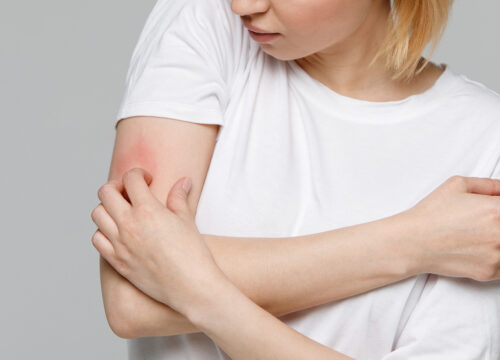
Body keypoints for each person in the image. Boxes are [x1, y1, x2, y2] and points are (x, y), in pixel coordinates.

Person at [91, 0, 500, 358]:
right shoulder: (206, 22)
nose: (243, 5)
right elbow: (131, 300)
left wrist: (200, 294)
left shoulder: (486, 138)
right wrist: (414, 241)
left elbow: (151, 276)